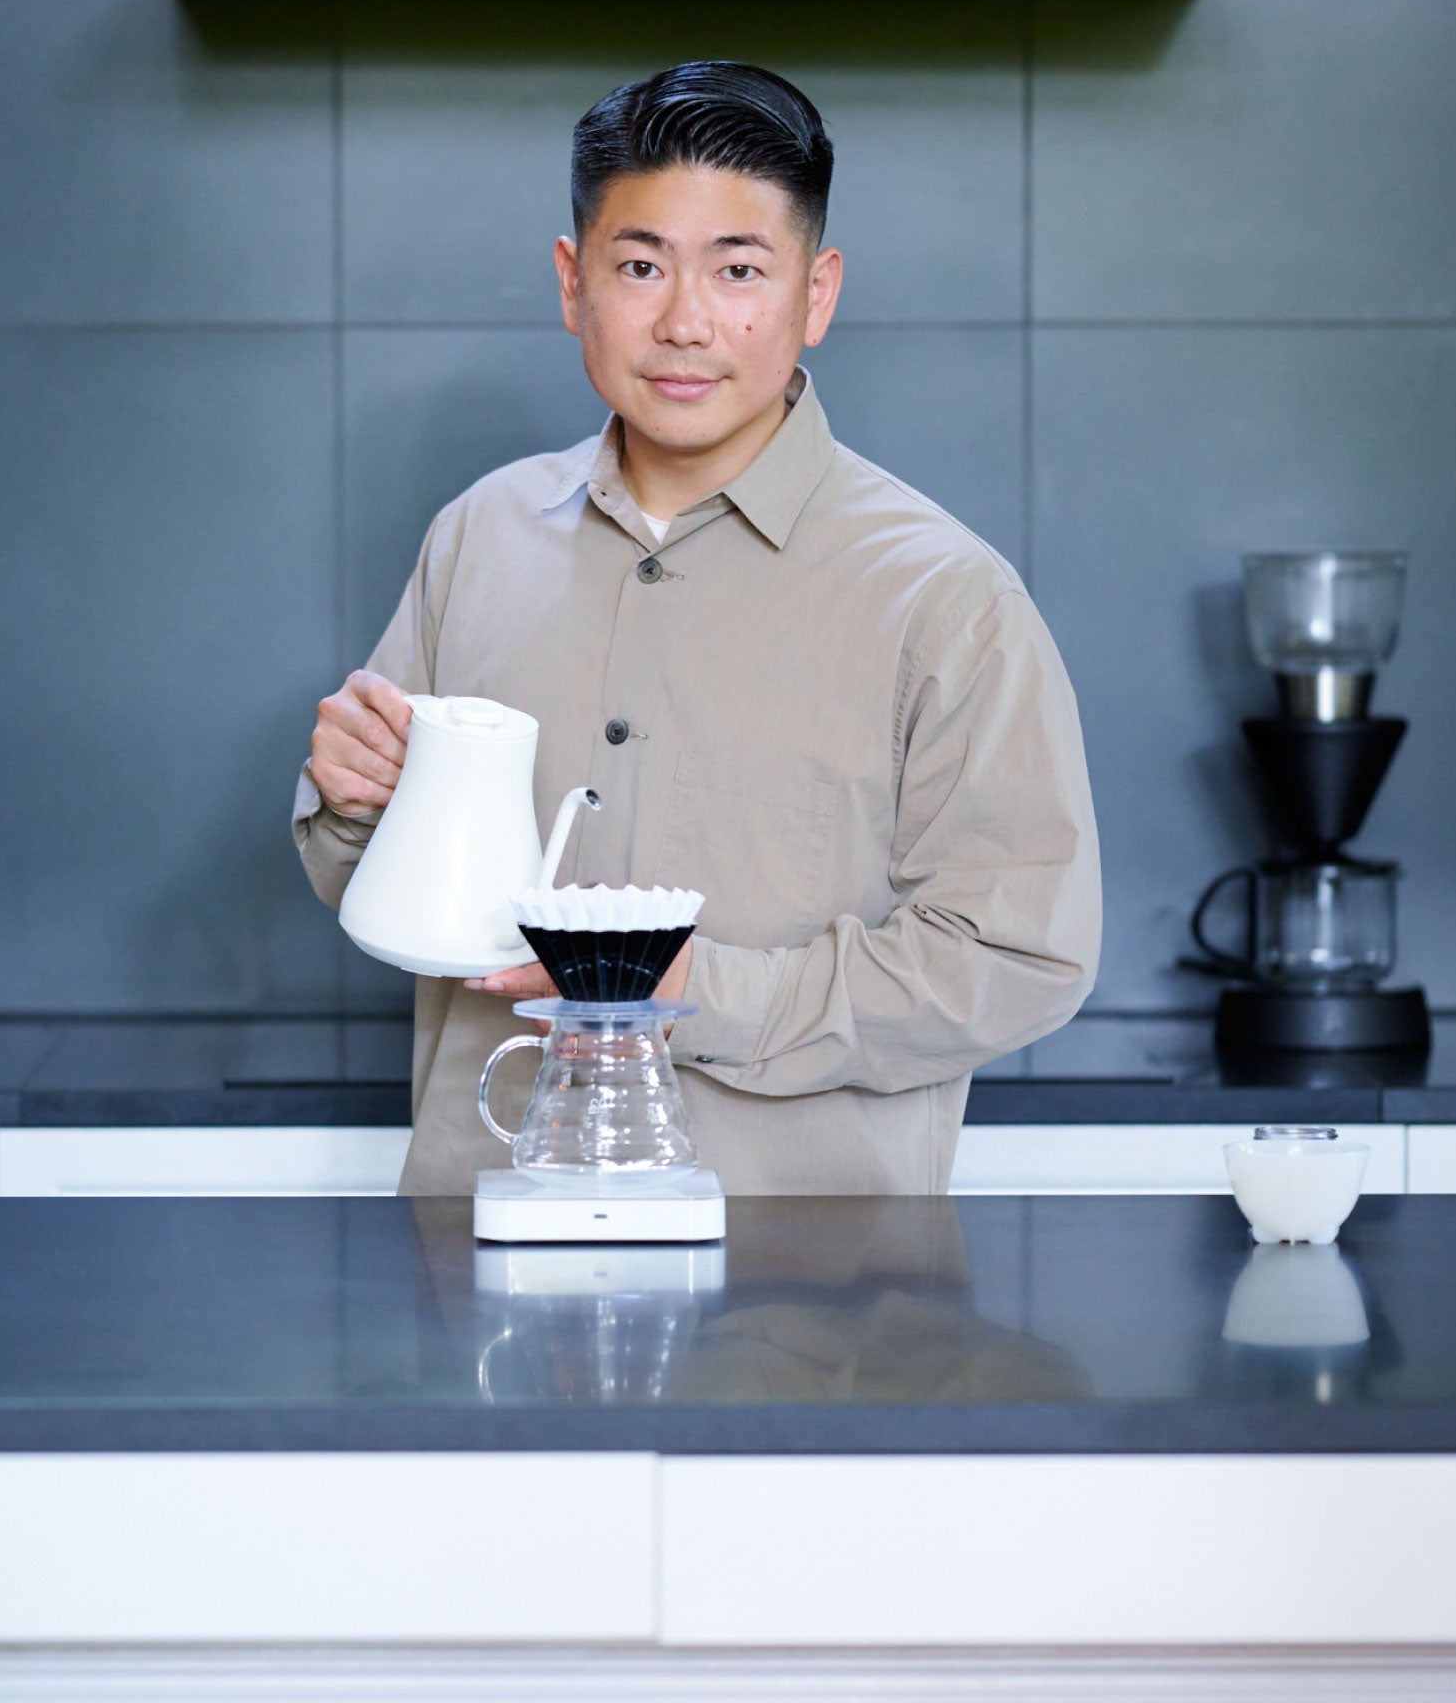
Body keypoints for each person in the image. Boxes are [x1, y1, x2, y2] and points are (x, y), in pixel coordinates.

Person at [294, 60, 1100, 1197]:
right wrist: (354, 799)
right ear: (572, 283)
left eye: (738, 270)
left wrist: (687, 990)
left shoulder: (945, 597)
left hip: (803, 1279)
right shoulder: (480, 534)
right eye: (640, 266)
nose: (684, 322)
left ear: (815, 293)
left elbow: (1018, 958)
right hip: (484, 1245)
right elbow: (390, 885)